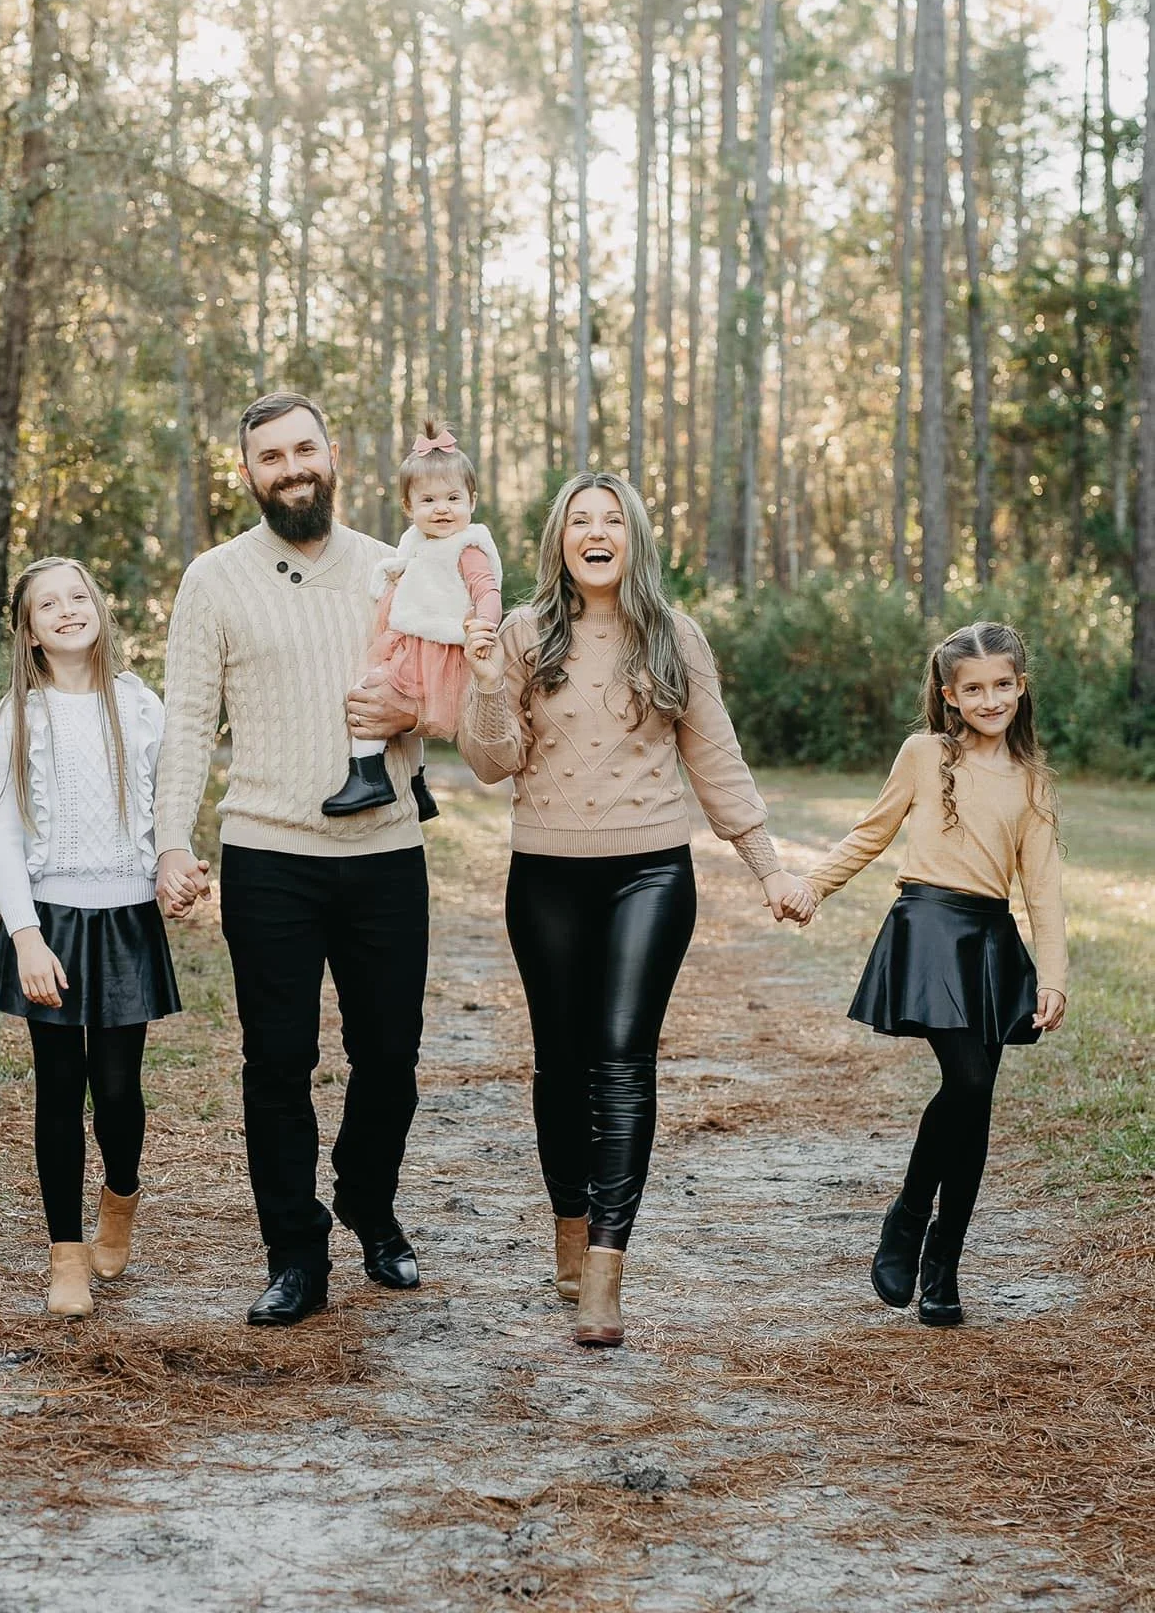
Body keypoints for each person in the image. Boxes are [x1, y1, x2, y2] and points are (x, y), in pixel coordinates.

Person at [458, 472, 809, 1349]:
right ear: (560, 543)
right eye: (581, 519)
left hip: (650, 873)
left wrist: (767, 867)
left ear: (634, 537)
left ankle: (606, 1274)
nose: (597, 530)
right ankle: (569, 1228)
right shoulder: (523, 632)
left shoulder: (673, 636)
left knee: (621, 1062)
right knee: (559, 1064)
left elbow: (716, 760)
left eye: (612, 518)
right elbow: (491, 762)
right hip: (545, 875)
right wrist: (490, 683)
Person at [155, 392, 430, 1327]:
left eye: (303, 449)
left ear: (334, 453)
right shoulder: (214, 579)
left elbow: (462, 696)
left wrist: (415, 717)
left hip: (386, 849)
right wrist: (169, 841)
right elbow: (189, 722)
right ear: (248, 474)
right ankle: (295, 1255)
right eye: (269, 457)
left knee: (390, 1057)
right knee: (276, 1063)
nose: (290, 468)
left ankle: (368, 1199)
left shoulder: (398, 567)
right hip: (268, 852)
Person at [784, 621, 1068, 1328]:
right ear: (949, 696)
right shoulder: (924, 754)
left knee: (975, 1109)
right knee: (967, 1081)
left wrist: (1054, 976)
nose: (991, 698)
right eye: (974, 688)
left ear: (1021, 687)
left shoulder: (1031, 782)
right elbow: (870, 832)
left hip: (991, 942)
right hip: (929, 929)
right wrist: (815, 885)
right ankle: (910, 1215)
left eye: (1003, 684)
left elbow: (1045, 888)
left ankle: (943, 1266)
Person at [0, 557, 181, 1320]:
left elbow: (167, 806)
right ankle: (66, 1254)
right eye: (47, 605)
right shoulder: (18, 714)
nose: (66, 610)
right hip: (52, 920)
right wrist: (25, 935)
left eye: (77, 596)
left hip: (126, 913)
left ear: (99, 607)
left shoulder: (138, 704)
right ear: (29, 632)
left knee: (119, 1089)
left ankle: (120, 1197)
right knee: (60, 1088)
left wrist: (174, 868)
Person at [323, 419, 502, 820]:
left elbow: (487, 590)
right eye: (429, 501)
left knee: (368, 694)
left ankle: (369, 777)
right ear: (409, 507)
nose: (442, 509)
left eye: (453, 498)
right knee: (407, 716)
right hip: (409, 644)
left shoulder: (467, 547)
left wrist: (485, 624)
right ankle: (417, 785)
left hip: (439, 650)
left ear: (471, 500)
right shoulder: (415, 543)